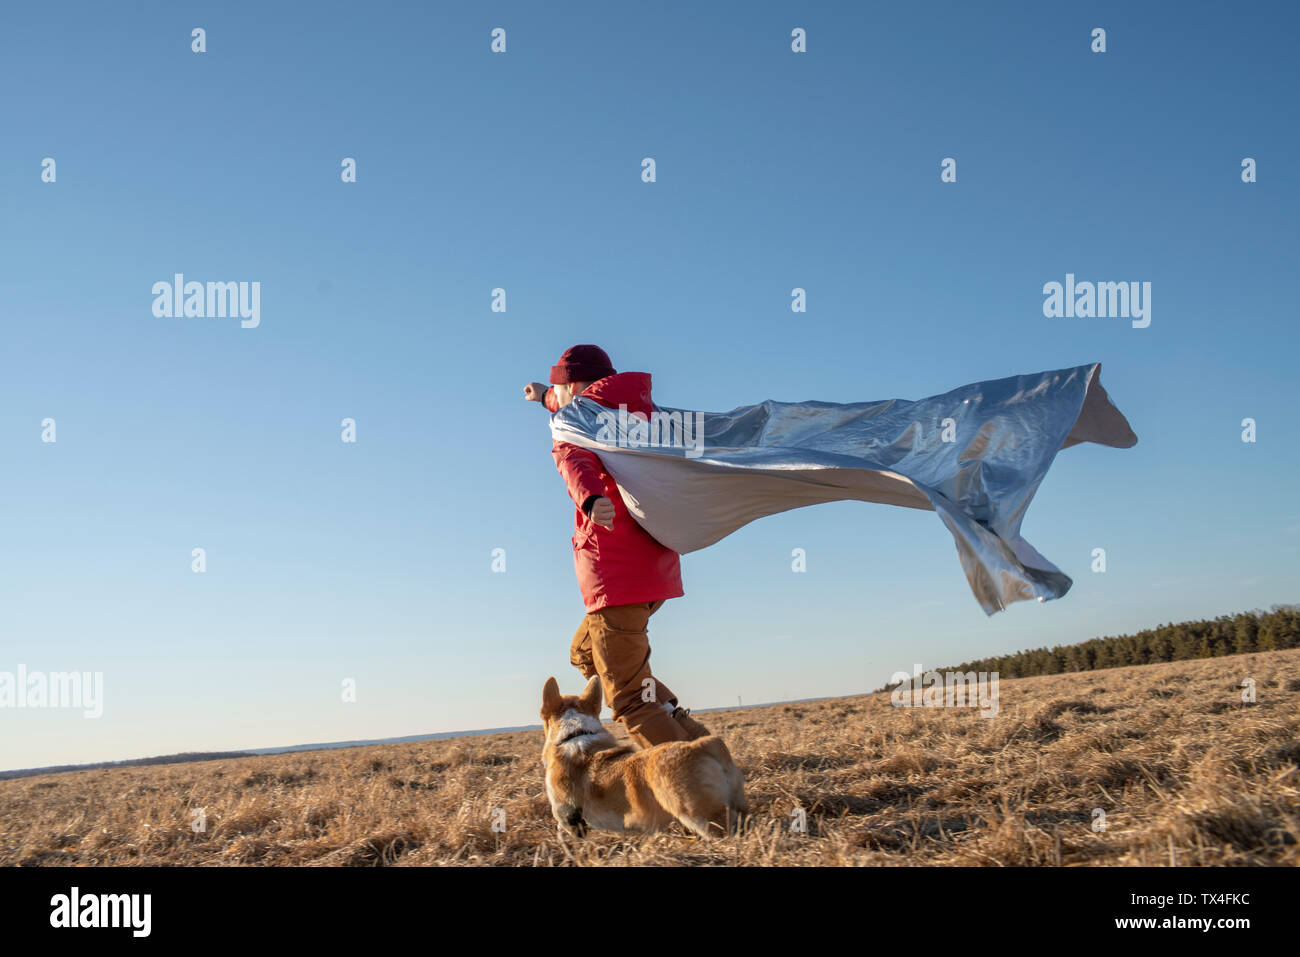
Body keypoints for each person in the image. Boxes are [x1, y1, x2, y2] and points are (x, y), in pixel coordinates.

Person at [524, 344, 711, 749]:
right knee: (585, 654)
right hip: (653, 568)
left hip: (615, 573)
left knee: (626, 698)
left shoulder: (575, 421)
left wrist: (590, 500)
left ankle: (700, 787)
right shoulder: (640, 415)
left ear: (572, 385)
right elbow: (577, 408)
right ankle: (685, 733)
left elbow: (573, 459)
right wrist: (544, 396)